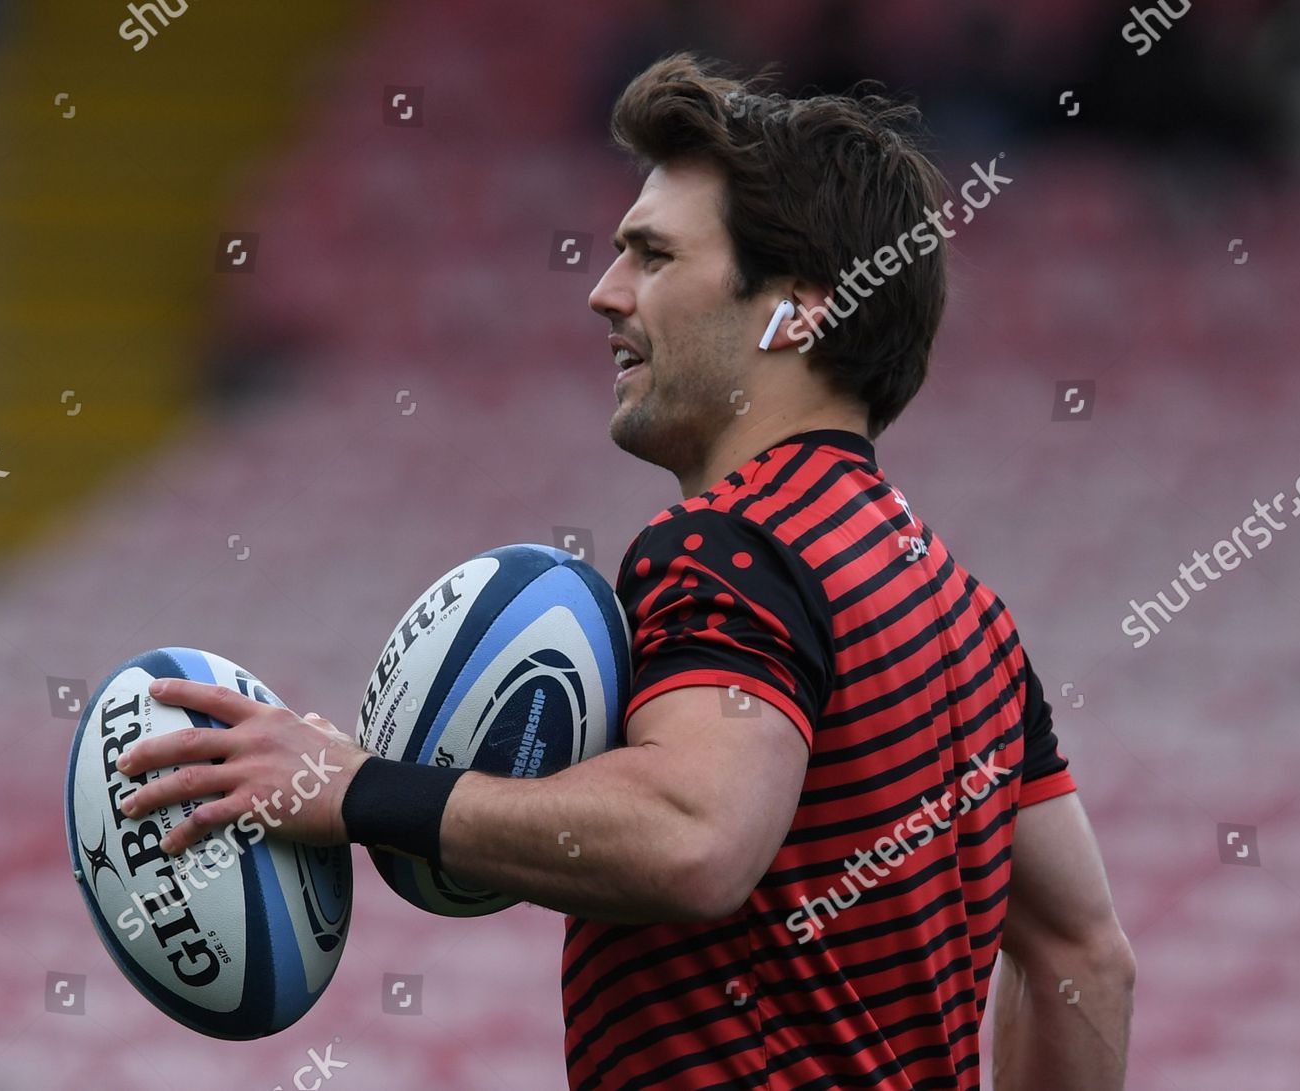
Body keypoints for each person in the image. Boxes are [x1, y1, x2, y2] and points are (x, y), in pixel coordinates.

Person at [115, 52, 1135, 1091]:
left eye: (651, 256)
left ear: (798, 307)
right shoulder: (966, 613)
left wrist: (358, 788)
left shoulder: (733, 545)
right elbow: (1084, 954)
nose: (604, 294)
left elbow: (696, 835)